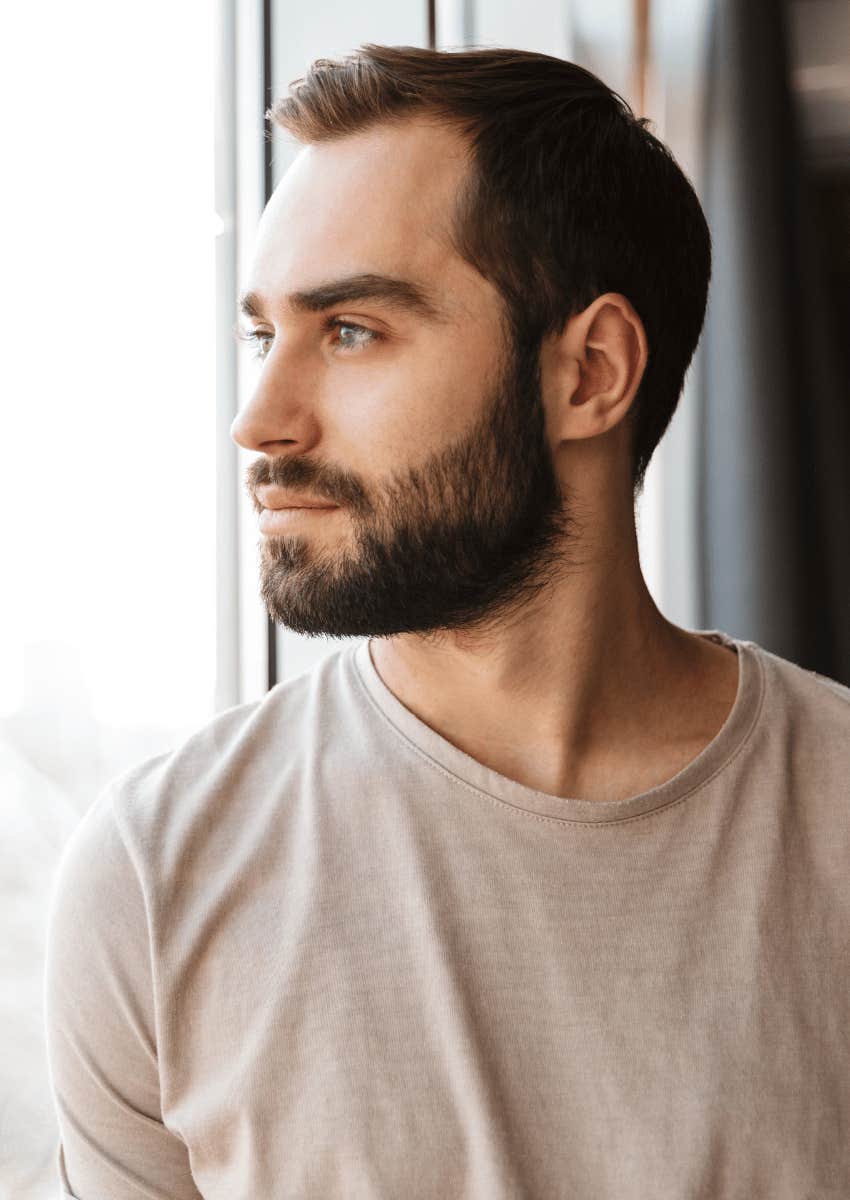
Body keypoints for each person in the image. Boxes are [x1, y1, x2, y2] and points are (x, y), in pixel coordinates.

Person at [44, 44, 850, 1200]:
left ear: (589, 375)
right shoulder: (153, 882)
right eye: (263, 336)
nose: (259, 420)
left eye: (352, 330)